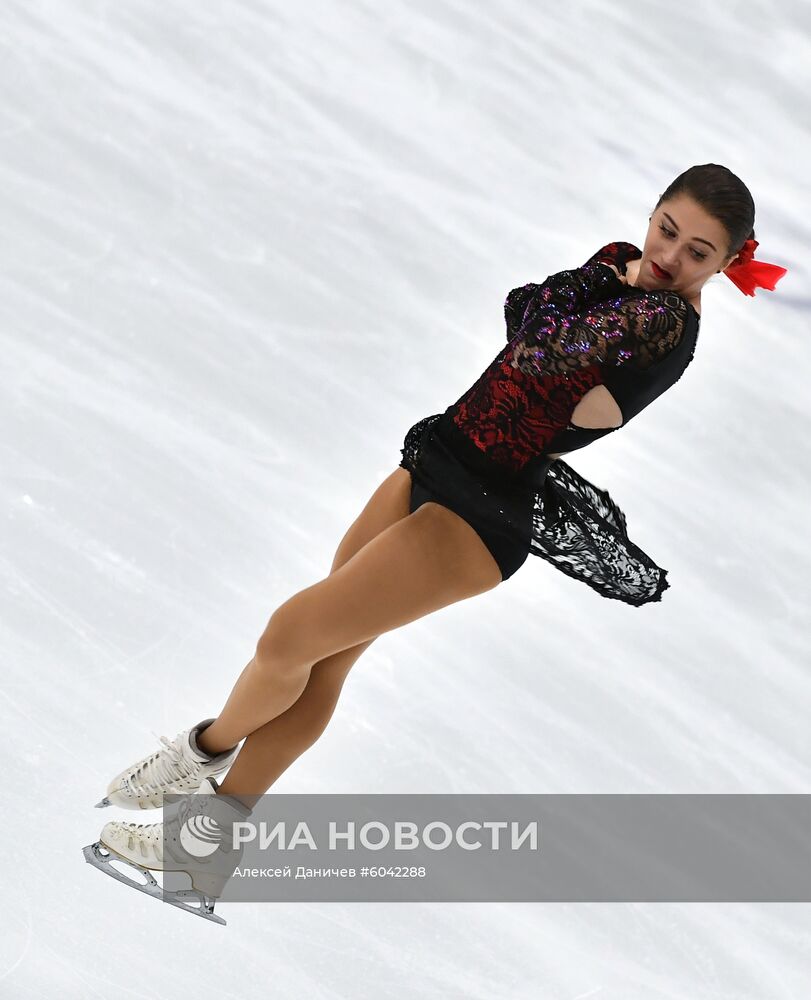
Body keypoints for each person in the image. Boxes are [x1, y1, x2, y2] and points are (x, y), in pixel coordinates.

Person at [88, 163, 786, 890]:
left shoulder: (663, 323)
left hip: (480, 512)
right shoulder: (619, 262)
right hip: (441, 454)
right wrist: (550, 326)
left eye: (697, 253)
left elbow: (540, 349)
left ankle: (200, 756)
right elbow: (525, 317)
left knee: (287, 636)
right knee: (322, 661)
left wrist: (551, 326)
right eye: (666, 229)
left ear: (726, 262)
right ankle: (204, 846)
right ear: (652, 212)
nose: (669, 257)